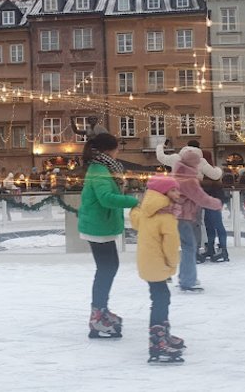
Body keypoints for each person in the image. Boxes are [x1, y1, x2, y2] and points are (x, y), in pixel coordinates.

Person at [77, 132, 139, 339]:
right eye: (117, 148)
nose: (118, 151)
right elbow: (105, 198)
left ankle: (101, 310)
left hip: (100, 225)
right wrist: (135, 202)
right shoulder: (99, 169)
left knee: (109, 267)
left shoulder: (102, 167)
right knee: (106, 269)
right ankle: (97, 317)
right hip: (97, 226)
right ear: (108, 150)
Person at [129, 175, 185, 363]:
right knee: (161, 300)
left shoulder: (148, 210)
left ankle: (163, 335)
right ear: (163, 192)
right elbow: (171, 243)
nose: (178, 193)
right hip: (159, 262)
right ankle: (157, 342)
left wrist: (135, 208)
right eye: (174, 190)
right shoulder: (166, 215)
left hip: (147, 262)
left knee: (160, 297)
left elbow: (136, 220)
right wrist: (172, 263)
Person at [172, 146, 222, 291]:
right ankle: (188, 280)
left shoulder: (179, 174)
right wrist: (217, 203)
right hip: (184, 216)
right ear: (194, 164)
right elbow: (201, 198)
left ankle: (185, 277)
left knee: (188, 246)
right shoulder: (188, 179)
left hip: (179, 215)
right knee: (190, 247)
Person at [200, 177, 229, 262]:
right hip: (211, 201)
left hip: (213, 201)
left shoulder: (210, 176)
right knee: (210, 226)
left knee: (217, 226)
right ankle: (211, 248)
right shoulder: (212, 177)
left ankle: (223, 250)